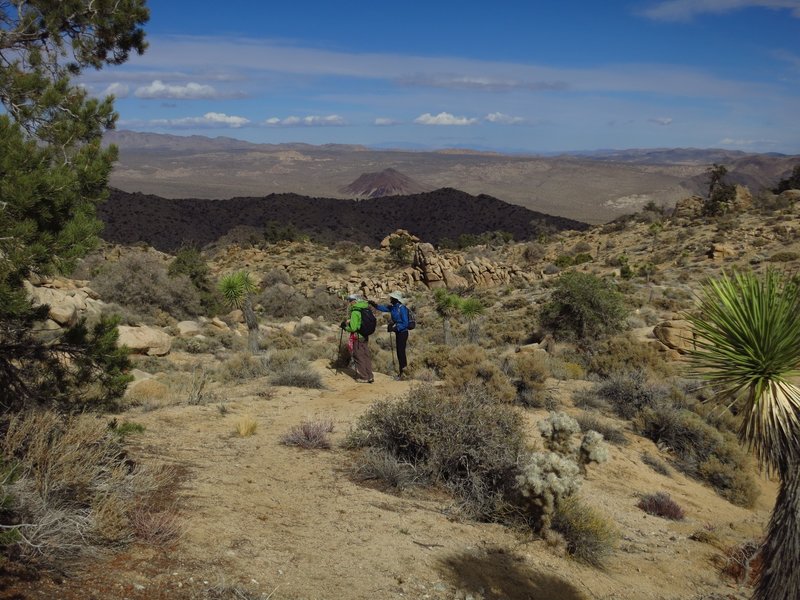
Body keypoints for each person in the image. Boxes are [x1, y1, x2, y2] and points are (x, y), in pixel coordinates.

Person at [370, 291, 410, 380]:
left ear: (396, 299)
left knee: (401, 353)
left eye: (392, 298)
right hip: (398, 332)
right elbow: (383, 308)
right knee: (400, 353)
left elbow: (405, 323)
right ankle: (402, 372)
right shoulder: (393, 307)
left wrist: (396, 328)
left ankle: (403, 373)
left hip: (403, 332)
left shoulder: (401, 308)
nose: (390, 299)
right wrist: (375, 305)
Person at [341, 294, 374, 383]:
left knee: (359, 356)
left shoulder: (355, 311)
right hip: (365, 335)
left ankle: (364, 377)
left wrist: (345, 327)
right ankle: (370, 375)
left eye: (350, 301)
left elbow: (353, 328)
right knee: (365, 355)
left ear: (354, 301)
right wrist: (350, 321)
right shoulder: (364, 308)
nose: (349, 303)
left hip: (358, 337)